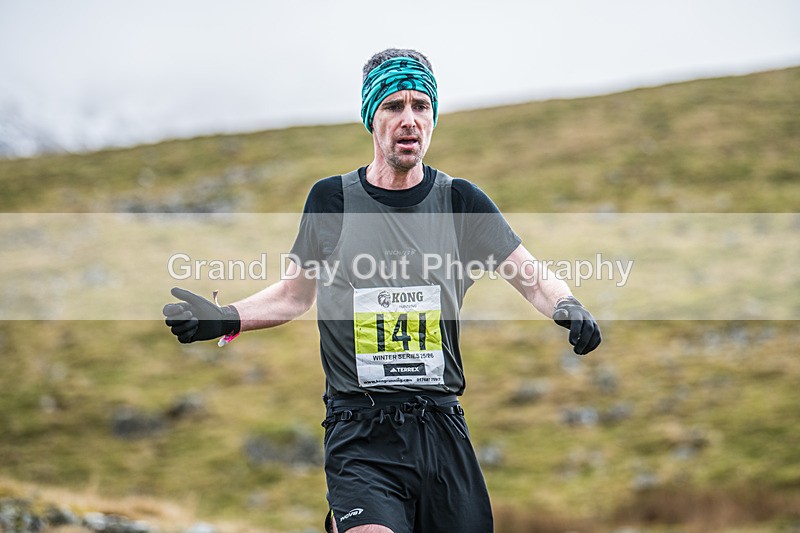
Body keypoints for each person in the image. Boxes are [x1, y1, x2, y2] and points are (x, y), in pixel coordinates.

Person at [163, 48, 601, 533]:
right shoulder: (332, 200)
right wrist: (226, 317)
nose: (409, 119)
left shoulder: (459, 202)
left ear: (433, 117)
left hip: (440, 428)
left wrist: (567, 304)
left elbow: (531, 276)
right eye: (394, 105)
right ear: (372, 117)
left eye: (421, 106)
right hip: (361, 432)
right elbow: (295, 294)